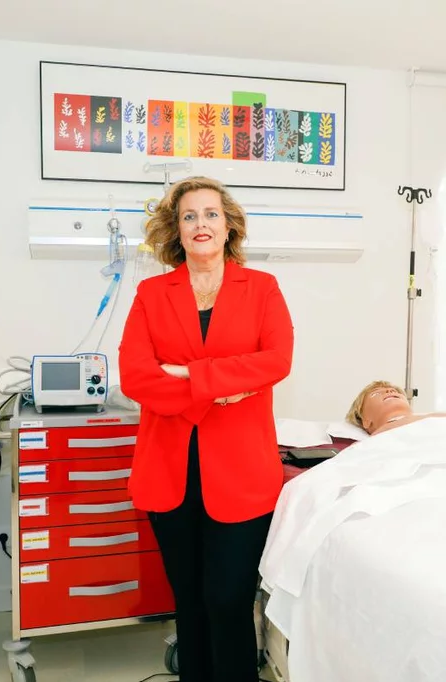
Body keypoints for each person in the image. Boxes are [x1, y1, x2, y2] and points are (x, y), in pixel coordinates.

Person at [118, 176, 295, 682]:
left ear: (228, 225)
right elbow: (135, 375)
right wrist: (221, 388)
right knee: (190, 602)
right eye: (190, 216)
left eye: (211, 214)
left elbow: (276, 359)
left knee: (229, 599)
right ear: (176, 230)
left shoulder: (261, 288)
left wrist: (188, 375)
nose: (201, 224)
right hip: (168, 472)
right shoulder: (152, 294)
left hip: (241, 473)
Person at [346, 380, 446, 436]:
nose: (389, 390)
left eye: (396, 391)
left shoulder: (444, 417)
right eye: (376, 393)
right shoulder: (369, 445)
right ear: (366, 420)